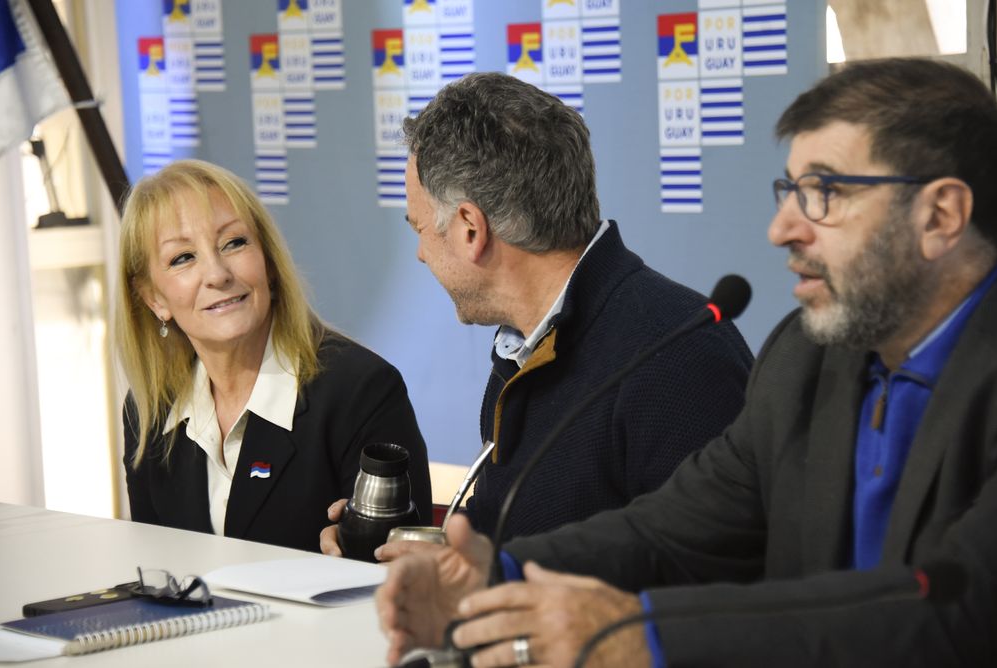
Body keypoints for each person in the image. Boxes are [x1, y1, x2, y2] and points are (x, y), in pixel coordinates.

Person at [375, 57, 997, 667]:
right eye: (789, 191)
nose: (782, 228)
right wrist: (495, 571)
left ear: (939, 216)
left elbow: (960, 608)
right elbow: (675, 527)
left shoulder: (685, 350)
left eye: (823, 194)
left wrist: (643, 637)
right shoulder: (805, 357)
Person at [320, 72, 752, 555]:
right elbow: (515, 534)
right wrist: (422, 551)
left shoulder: (677, 356)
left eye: (420, 228)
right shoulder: (524, 347)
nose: (421, 253)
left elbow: (706, 574)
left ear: (469, 229)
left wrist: (501, 578)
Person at [116, 159, 431, 554]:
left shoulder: (361, 392)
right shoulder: (148, 410)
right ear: (154, 298)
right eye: (183, 258)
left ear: (268, 260)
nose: (217, 274)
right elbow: (158, 576)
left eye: (234, 243)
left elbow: (400, 574)